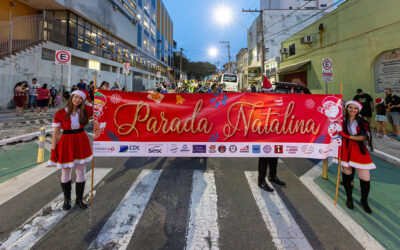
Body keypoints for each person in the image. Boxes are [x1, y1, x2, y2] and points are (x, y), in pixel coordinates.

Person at [48, 90, 93, 210]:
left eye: (80, 98)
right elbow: (56, 132)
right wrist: (53, 149)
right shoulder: (60, 113)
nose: (77, 100)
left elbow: (102, 108)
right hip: (66, 142)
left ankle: (79, 199)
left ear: (83, 100)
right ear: (71, 97)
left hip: (81, 141)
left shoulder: (86, 110)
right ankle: (67, 199)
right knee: (66, 170)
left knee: (81, 170)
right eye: (75, 97)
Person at [338, 100, 375, 214]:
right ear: (346, 108)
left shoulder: (363, 122)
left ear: (358, 110)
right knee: (347, 176)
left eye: (355, 108)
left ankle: (364, 200)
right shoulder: (340, 121)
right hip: (345, 149)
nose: (352, 110)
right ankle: (349, 198)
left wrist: (347, 136)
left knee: (365, 177)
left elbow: (364, 137)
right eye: (350, 107)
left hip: (358, 150)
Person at [258, 75, 285, 192]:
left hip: (276, 134)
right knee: (264, 158)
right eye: (268, 92)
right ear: (263, 91)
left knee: (275, 156)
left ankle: (273, 176)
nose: (270, 93)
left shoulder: (277, 100)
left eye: (271, 92)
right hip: (264, 135)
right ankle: (261, 181)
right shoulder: (258, 101)